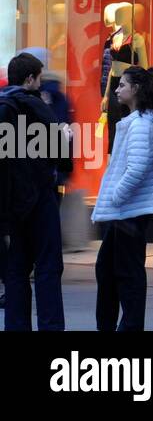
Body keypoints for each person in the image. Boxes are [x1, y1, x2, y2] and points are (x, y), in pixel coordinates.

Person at [91, 64, 153, 331]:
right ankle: (113, 325)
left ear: (135, 89)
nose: (117, 89)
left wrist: (116, 196)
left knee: (126, 273)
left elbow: (137, 169)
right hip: (126, 211)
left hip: (129, 211)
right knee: (110, 269)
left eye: (122, 85)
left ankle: (127, 327)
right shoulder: (139, 122)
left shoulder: (140, 125)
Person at [1, 51, 67, 331]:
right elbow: (62, 159)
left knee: (15, 270)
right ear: (30, 79)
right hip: (40, 200)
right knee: (48, 268)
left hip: (11, 203)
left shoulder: (2, 107)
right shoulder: (37, 107)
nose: (41, 85)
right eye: (39, 79)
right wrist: (65, 137)